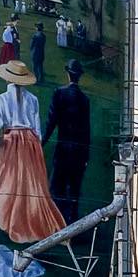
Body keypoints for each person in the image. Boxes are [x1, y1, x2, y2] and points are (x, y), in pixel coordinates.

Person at [0, 60, 65, 242]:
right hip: (30, 142)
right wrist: (36, 144)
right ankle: (31, 216)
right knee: (31, 181)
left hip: (11, 140)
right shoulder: (33, 99)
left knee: (9, 178)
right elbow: (37, 127)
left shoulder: (1, 99)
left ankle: (10, 218)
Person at [41, 59, 92, 224]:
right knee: (74, 189)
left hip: (63, 148)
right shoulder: (84, 99)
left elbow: (51, 121)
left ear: (67, 74)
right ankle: (71, 225)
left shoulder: (59, 93)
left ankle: (57, 223)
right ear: (79, 77)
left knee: (57, 186)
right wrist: (86, 156)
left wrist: (42, 142)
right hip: (78, 151)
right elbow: (86, 131)